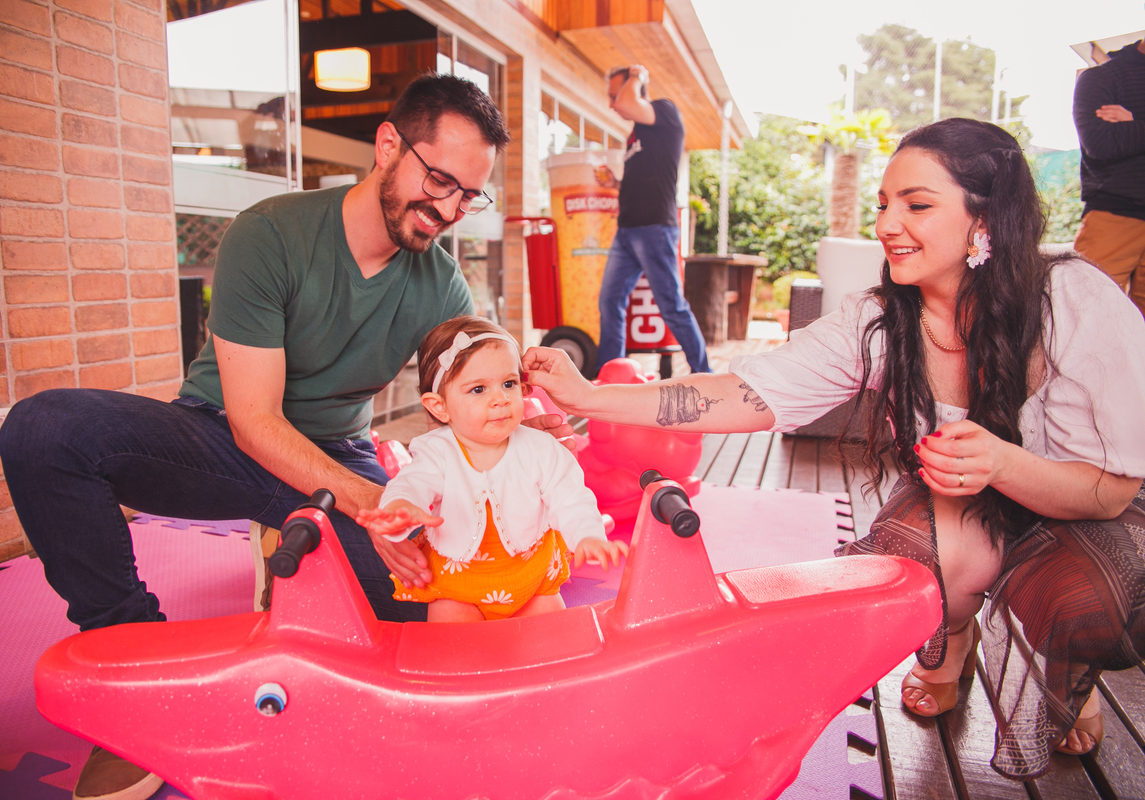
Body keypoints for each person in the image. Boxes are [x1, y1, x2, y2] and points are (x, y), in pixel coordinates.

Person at [0, 74, 574, 800]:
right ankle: (129, 661)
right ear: (388, 145)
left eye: (469, 194)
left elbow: (483, 374)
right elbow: (254, 422)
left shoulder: (441, 284)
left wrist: (524, 423)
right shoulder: (269, 233)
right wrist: (371, 505)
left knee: (425, 609)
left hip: (339, 453)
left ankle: (292, 544)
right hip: (222, 438)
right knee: (45, 430)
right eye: (439, 179)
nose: (449, 209)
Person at [524, 118, 1145, 781]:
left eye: (918, 204)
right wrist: (588, 398)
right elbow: (746, 393)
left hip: (1078, 508)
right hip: (962, 506)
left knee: (1089, 603)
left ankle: (1065, 675)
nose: (887, 224)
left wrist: (1001, 462)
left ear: (983, 219)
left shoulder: (1073, 299)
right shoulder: (879, 319)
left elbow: (1110, 489)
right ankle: (953, 637)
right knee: (905, 576)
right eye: (884, 203)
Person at [357, 316, 626, 622]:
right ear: (439, 406)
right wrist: (401, 509)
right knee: (454, 651)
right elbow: (411, 484)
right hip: (458, 586)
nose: (499, 399)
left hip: (532, 580)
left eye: (508, 384)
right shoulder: (437, 450)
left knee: (553, 644)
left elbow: (571, 496)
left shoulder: (540, 447)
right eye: (478, 389)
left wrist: (588, 536)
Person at [593, 65, 710, 374]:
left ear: (633, 88)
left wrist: (638, 75)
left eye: (614, 95)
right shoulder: (637, 135)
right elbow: (646, 178)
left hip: (654, 229)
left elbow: (629, 103)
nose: (612, 104)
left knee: (671, 307)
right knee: (609, 302)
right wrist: (615, 184)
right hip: (627, 231)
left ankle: (705, 374)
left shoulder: (665, 111)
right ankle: (610, 376)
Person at [1072, 38, 1145, 319]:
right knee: (1086, 316)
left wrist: (1135, 121)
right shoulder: (1101, 77)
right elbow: (1102, 144)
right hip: (1114, 213)